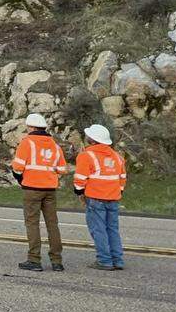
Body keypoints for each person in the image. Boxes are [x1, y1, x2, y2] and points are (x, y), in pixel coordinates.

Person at [11, 113, 67, 271]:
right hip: (50, 189)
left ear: (32, 127)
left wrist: (21, 179)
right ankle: (57, 261)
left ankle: (34, 260)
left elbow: (17, 167)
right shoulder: (55, 146)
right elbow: (62, 169)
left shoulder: (27, 143)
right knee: (52, 225)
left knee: (32, 224)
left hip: (32, 189)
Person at [74, 124, 127, 271]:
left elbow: (80, 180)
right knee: (112, 229)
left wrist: (79, 193)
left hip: (95, 198)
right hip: (113, 198)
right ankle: (117, 260)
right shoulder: (118, 157)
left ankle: (104, 260)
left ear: (91, 139)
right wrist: (118, 192)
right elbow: (122, 179)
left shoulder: (86, 155)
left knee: (99, 230)